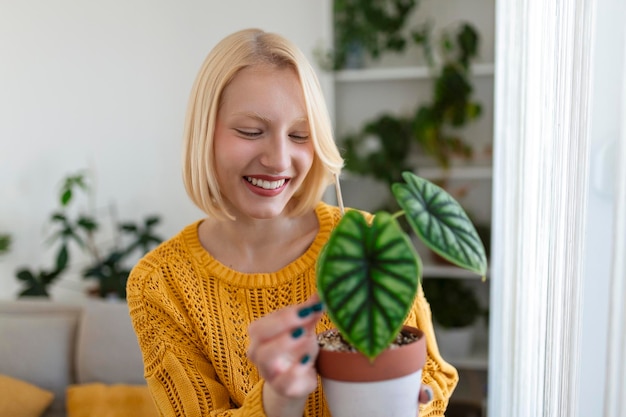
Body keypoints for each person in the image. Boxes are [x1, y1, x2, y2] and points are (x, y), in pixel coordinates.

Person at [127, 28, 458, 417]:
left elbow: (433, 375)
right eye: (251, 131)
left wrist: (407, 403)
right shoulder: (161, 283)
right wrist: (277, 401)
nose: (280, 159)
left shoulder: (365, 242)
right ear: (205, 133)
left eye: (300, 135)